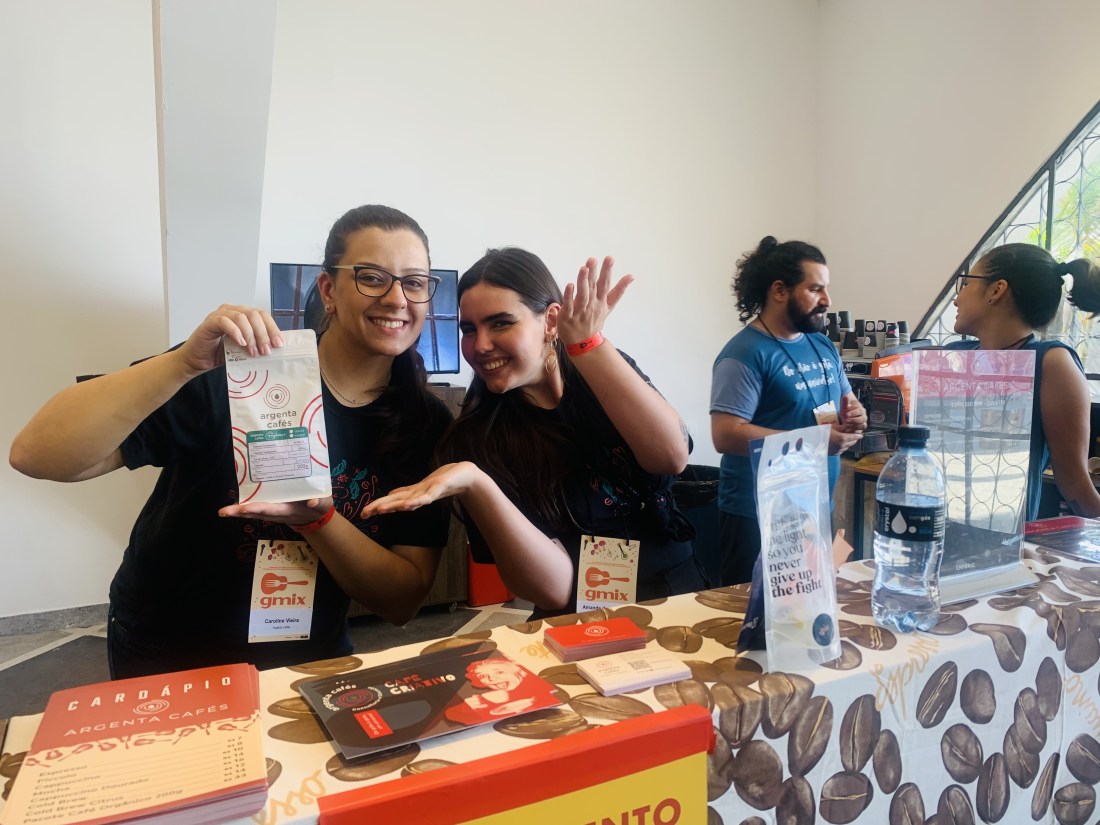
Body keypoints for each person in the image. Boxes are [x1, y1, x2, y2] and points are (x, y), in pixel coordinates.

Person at [9, 205, 454, 677]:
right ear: (328, 290)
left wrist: (319, 521)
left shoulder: (424, 424)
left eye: (414, 282)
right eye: (372, 277)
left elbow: (401, 602)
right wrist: (183, 363)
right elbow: (37, 455)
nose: (396, 298)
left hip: (309, 652)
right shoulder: (242, 371)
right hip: (170, 649)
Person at [363, 248, 706, 618]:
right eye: (469, 329)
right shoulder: (477, 440)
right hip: (581, 621)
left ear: (550, 320)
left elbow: (670, 457)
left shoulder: (601, 370)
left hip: (679, 597)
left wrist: (588, 346)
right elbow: (553, 591)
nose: (480, 345)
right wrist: (477, 483)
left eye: (500, 323)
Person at [710, 236, 867, 585]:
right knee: (752, 615)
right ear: (779, 290)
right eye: (815, 289)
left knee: (811, 610)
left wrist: (855, 416)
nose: (827, 300)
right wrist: (816, 442)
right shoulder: (744, 353)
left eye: (826, 288)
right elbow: (726, 434)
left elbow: (839, 402)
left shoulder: (821, 344)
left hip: (815, 508)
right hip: (757, 517)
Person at [950, 243, 1100, 520]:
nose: (956, 299)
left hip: (1004, 537)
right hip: (931, 528)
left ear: (996, 290)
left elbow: (1074, 484)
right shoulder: (952, 357)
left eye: (966, 283)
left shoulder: (1051, 363)